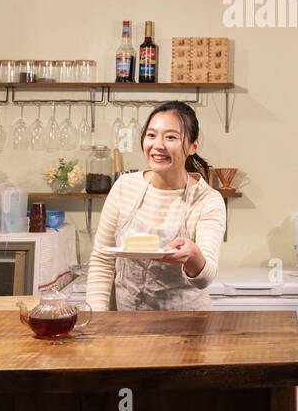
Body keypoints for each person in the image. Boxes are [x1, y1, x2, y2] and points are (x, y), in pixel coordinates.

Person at [84, 101, 226, 310]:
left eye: (171, 137)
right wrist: (96, 317)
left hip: (188, 328)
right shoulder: (125, 186)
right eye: (151, 135)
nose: (158, 145)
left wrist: (193, 256)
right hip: (128, 324)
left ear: (192, 147)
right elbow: (102, 260)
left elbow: (205, 278)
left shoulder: (207, 199)